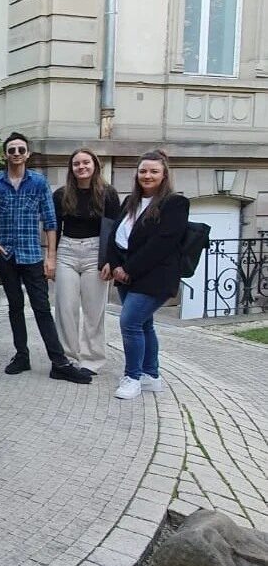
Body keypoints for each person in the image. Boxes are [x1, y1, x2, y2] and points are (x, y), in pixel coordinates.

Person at [0, 132, 92, 384]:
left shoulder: (39, 182)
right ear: (5, 155)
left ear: (27, 154)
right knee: (14, 306)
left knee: (41, 308)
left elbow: (51, 222)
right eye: (12, 150)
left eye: (21, 150)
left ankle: (59, 362)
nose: (17, 154)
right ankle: (22, 355)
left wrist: (50, 257)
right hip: (6, 254)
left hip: (32, 255)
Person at [105, 151, 189, 400]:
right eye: (143, 171)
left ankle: (132, 377)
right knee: (144, 324)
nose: (147, 175)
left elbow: (161, 245)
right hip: (125, 274)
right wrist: (113, 263)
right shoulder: (130, 200)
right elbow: (114, 235)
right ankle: (151, 376)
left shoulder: (175, 203)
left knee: (129, 322)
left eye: (154, 171)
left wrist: (128, 269)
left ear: (164, 175)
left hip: (155, 277)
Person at [52, 148, 120, 376]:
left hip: (95, 252)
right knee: (65, 308)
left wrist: (111, 260)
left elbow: (114, 230)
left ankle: (92, 359)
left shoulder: (108, 194)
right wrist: (50, 258)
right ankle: (67, 358)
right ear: (71, 169)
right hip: (67, 251)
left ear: (95, 165)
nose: (81, 167)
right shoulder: (61, 195)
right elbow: (54, 230)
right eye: (76, 164)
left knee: (94, 310)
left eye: (85, 163)